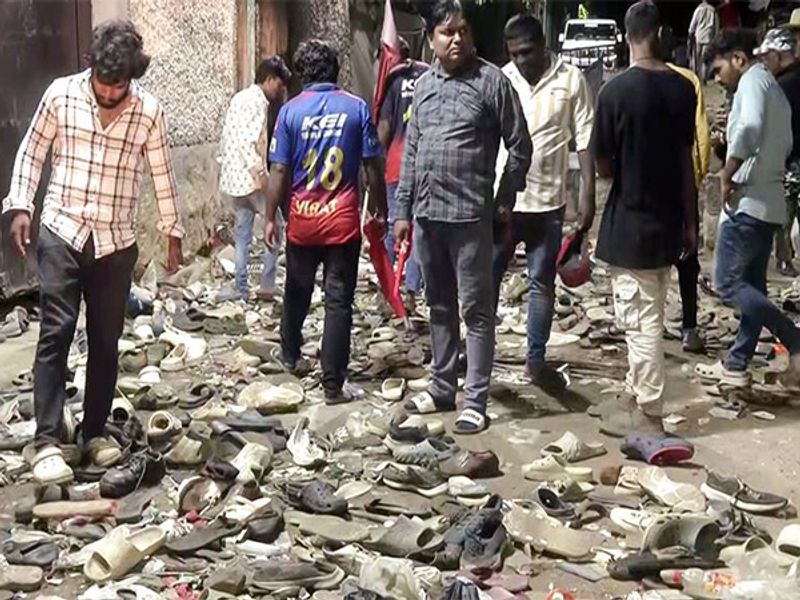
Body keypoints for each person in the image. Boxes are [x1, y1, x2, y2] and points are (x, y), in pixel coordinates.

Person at [2, 20, 184, 485]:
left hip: (114, 243)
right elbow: (31, 152)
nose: (107, 93)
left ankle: (95, 432)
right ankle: (47, 440)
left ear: (131, 78)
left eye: (117, 86)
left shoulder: (148, 112)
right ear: (92, 69)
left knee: (105, 341)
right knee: (56, 332)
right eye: (103, 83)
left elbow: (162, 173)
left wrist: (172, 232)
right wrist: (20, 205)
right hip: (61, 231)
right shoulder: (61, 95)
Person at [394, 0, 532, 434]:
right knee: (439, 305)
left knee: (476, 311)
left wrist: (504, 197)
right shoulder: (423, 86)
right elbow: (412, 152)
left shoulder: (491, 82)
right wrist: (401, 211)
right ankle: (441, 387)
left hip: (471, 217)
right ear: (431, 39)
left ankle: (474, 400)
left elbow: (520, 145)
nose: (456, 39)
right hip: (427, 218)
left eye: (462, 31)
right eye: (446, 33)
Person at [590, 0, 697, 435]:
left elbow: (602, 166)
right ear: (661, 34)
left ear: (627, 37)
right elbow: (686, 160)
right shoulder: (684, 89)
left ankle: (650, 414)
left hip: (630, 223)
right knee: (649, 312)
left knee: (642, 324)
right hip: (668, 223)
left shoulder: (613, 92)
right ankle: (637, 395)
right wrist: (692, 222)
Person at [264, 39, 387, 405]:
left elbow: (279, 170)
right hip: (342, 224)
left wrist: (270, 217)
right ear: (336, 70)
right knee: (338, 303)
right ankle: (333, 386)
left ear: (302, 74)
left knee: (297, 291)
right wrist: (379, 209)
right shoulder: (356, 107)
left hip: (303, 222)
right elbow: (372, 166)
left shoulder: (289, 112)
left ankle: (290, 354)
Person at [492, 14, 595, 392]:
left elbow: (585, 138)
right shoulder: (502, 79)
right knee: (487, 281)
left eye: (527, 52)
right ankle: (478, 353)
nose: (521, 61)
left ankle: (535, 360)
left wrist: (587, 195)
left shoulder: (571, 80)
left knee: (542, 285)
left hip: (549, 204)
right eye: (514, 54)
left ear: (543, 45)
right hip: (504, 204)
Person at [700, 28, 800, 387]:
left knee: (727, 283)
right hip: (769, 203)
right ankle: (737, 363)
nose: (717, 78)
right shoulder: (775, 90)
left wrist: (728, 171)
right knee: (753, 287)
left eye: (719, 69)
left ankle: (793, 338)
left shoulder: (752, 82)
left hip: (748, 203)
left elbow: (751, 127)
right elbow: (784, 143)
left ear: (739, 59)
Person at [217, 57, 291, 301]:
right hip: (250, 178)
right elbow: (248, 142)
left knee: (243, 233)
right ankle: (267, 284)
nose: (280, 90)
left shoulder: (240, 97)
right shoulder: (257, 102)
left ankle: (240, 287)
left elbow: (228, 137)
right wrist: (262, 176)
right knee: (276, 224)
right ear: (268, 79)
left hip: (233, 177)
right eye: (279, 84)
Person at [665, 26, 712, 353]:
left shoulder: (632, 80)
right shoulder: (689, 81)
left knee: (649, 265)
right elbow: (701, 134)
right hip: (682, 184)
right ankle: (689, 328)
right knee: (687, 259)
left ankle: (648, 329)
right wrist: (697, 176)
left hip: (646, 188)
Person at [377, 37, 428, 312]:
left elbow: (385, 128)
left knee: (392, 225)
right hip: (426, 163)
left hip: (397, 163)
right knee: (419, 228)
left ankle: (388, 291)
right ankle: (411, 290)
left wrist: (373, 160)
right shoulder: (430, 77)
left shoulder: (393, 83)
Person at [755, 28, 800, 277]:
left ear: (779, 54)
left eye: (767, 56)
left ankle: (784, 259)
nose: (764, 62)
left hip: (789, 159)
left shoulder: (780, 86)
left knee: (785, 211)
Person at [688, 0, 719, 83]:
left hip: (698, 36)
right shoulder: (713, 10)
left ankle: (695, 76)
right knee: (705, 58)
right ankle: (704, 77)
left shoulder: (698, 9)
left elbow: (693, 24)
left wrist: (690, 33)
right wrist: (715, 37)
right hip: (708, 37)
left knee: (696, 58)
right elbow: (716, 26)